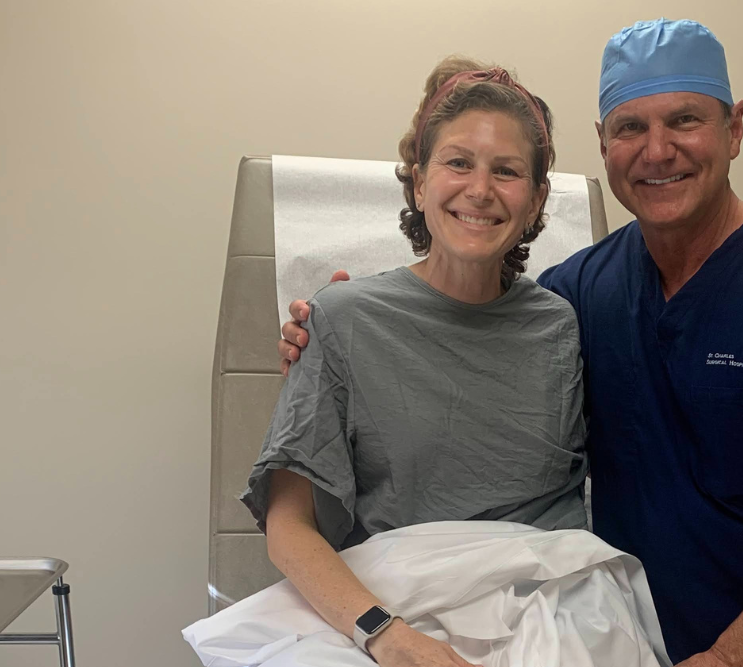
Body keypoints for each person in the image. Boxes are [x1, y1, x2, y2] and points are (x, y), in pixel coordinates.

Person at [281, 19, 743, 667]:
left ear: (734, 129)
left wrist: (730, 657)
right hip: (644, 640)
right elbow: (475, 334)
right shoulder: (578, 293)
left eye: (685, 120)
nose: (657, 151)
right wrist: (330, 333)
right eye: (630, 127)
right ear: (604, 143)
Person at [247, 57, 590, 667]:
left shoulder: (563, 326)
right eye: (458, 162)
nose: (480, 189)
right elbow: (288, 525)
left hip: (551, 611)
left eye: (506, 170)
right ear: (418, 182)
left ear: (537, 199)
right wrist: (388, 637)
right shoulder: (341, 320)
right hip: (387, 611)